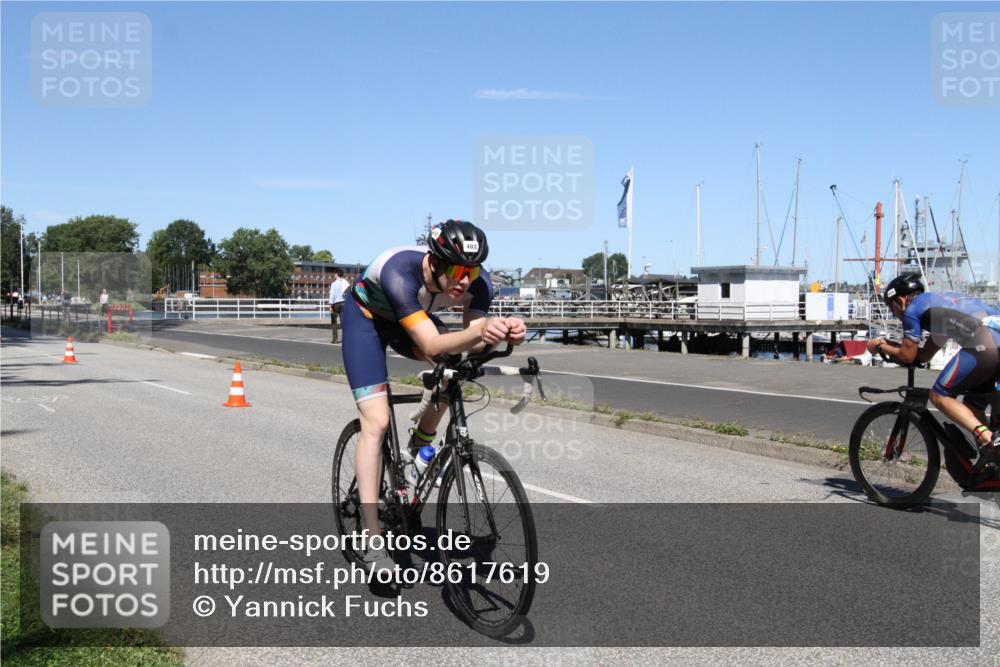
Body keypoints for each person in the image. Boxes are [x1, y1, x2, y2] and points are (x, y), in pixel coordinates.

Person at [342, 220, 525, 571]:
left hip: (412, 320)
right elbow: (431, 344)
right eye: (456, 271)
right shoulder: (399, 271)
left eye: (472, 271)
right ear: (435, 262)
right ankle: (372, 539)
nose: (464, 280)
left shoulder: (478, 283)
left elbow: (474, 341)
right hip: (367, 321)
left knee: (454, 369)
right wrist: (483, 333)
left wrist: (505, 332)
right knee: (377, 422)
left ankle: (416, 452)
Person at [867, 273, 1000, 452]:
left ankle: (987, 438)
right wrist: (892, 346)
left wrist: (880, 346)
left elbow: (907, 355)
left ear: (900, 301)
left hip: (984, 345)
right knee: (972, 405)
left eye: (892, 308)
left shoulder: (912, 309)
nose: (894, 314)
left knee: (939, 395)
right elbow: (924, 355)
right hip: (994, 338)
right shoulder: (939, 305)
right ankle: (992, 458)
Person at [328, 268, 349, 344]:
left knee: (334, 322)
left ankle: (335, 339)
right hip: (344, 303)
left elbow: (332, 296)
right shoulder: (345, 282)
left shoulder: (334, 284)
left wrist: (330, 305)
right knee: (343, 322)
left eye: (334, 274)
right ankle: (346, 339)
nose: (334, 275)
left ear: (337, 274)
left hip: (335, 304)